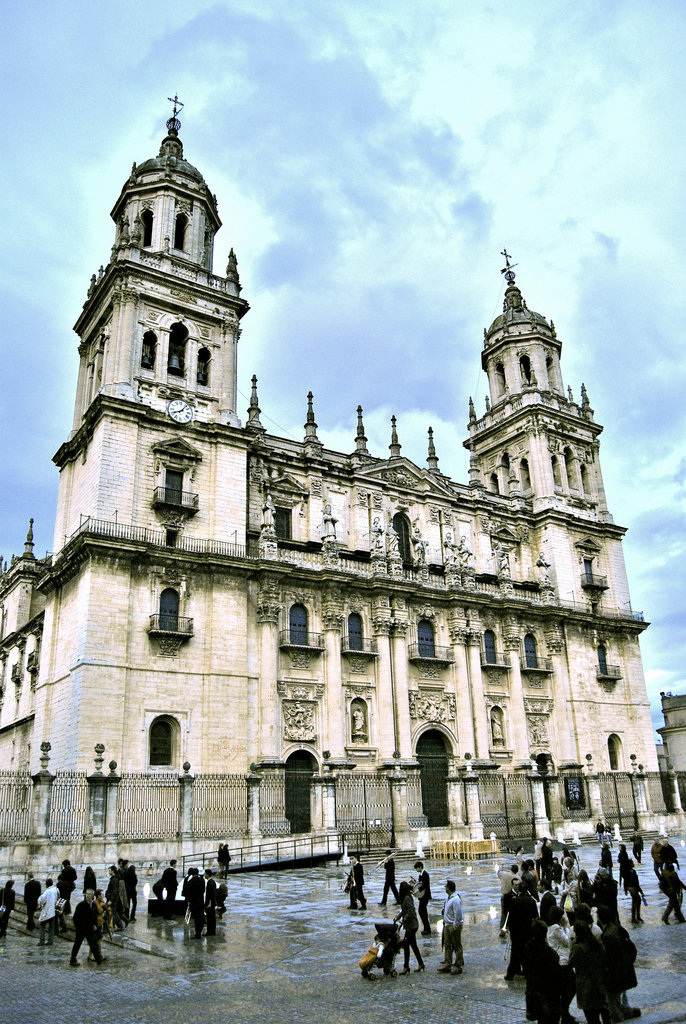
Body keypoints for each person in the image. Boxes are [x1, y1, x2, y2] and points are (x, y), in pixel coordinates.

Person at [596, 904, 640, 1021]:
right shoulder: (615, 928)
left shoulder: (607, 935)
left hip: (616, 970)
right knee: (619, 994)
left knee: (613, 997)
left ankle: (618, 1016)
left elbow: (610, 957)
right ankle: (625, 1011)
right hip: (623, 967)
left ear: (600, 918)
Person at [569, 919, 611, 1024]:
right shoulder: (596, 943)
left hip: (585, 985)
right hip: (598, 982)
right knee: (603, 1010)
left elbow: (571, 962)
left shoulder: (578, 947)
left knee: (591, 1017)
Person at [522, 919, 561, 1024]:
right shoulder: (548, 952)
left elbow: (525, 969)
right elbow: (556, 972)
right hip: (548, 992)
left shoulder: (528, 948)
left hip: (534, 990)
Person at [504, 879, 539, 981]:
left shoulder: (514, 901)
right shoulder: (531, 901)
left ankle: (510, 974)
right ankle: (527, 972)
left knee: (515, 952)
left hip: (516, 931)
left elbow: (510, 916)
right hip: (527, 930)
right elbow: (535, 915)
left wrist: (509, 928)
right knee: (527, 951)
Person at [547, 905, 576, 1024]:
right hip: (562, 961)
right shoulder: (557, 928)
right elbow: (567, 940)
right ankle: (564, 1012)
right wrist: (567, 927)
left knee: (567, 988)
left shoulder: (552, 927)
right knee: (570, 988)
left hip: (559, 960)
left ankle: (564, 1011)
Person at [70, 889, 105, 966]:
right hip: (81, 929)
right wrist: (79, 927)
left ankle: (98, 959)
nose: (88, 895)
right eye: (87, 894)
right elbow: (76, 918)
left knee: (93, 944)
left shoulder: (93, 905)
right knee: (77, 944)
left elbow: (94, 916)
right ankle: (72, 959)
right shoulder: (81, 905)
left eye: (90, 894)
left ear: (92, 895)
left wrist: (95, 925)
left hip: (90, 929)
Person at [396, 880, 424, 973]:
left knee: (406, 945)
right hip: (411, 925)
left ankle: (406, 966)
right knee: (413, 945)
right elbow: (404, 910)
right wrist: (398, 917)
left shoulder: (407, 898)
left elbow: (411, 910)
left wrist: (404, 919)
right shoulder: (406, 897)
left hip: (411, 926)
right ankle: (421, 964)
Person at [437, 880, 463, 975]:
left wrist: (455, 925)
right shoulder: (449, 898)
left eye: (446, 887)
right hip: (447, 924)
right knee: (447, 945)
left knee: (456, 945)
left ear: (449, 888)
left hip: (452, 925)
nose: (445, 888)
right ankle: (447, 963)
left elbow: (458, 914)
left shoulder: (455, 899)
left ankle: (458, 964)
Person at [37, 877, 59, 946]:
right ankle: (50, 940)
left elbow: (41, 900)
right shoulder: (56, 890)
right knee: (51, 927)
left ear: (47, 884)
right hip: (53, 911)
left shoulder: (47, 891)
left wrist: (40, 904)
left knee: (42, 926)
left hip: (46, 911)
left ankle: (42, 941)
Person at [185, 867, 206, 938]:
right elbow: (203, 890)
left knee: (196, 918)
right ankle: (199, 931)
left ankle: (197, 934)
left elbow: (188, 892)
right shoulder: (202, 880)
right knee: (200, 917)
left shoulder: (191, 881)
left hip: (194, 902)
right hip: (200, 901)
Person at [413, 861, 432, 934]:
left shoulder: (425, 874)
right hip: (422, 896)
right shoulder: (421, 875)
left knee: (422, 911)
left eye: (417, 868)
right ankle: (426, 928)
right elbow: (419, 883)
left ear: (420, 867)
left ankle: (427, 928)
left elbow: (425, 885)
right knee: (422, 912)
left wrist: (417, 890)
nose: (416, 870)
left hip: (425, 895)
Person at [500, 864, 519, 933]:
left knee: (504, 914)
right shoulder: (518, 877)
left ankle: (502, 929)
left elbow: (498, 873)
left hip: (505, 895)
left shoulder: (504, 874)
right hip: (513, 896)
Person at [105, 865, 126, 930]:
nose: (109, 872)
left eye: (109, 870)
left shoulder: (114, 880)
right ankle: (111, 926)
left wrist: (111, 900)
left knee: (113, 912)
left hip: (112, 899)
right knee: (112, 912)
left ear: (113, 871)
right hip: (111, 898)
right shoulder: (114, 879)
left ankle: (120, 926)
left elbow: (115, 891)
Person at [625, 860, 645, 925]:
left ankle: (635, 917)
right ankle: (636, 917)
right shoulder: (633, 872)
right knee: (636, 901)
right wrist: (641, 892)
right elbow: (636, 883)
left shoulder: (627, 872)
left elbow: (625, 882)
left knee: (635, 901)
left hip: (630, 888)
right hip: (634, 888)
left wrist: (626, 890)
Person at [204, 869, 217, 936]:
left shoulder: (209, 883)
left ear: (207, 874)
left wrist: (206, 904)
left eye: (205, 874)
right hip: (212, 902)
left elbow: (209, 895)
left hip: (210, 903)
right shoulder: (213, 882)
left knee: (210, 918)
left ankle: (209, 932)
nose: (204, 875)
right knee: (212, 917)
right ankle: (213, 931)